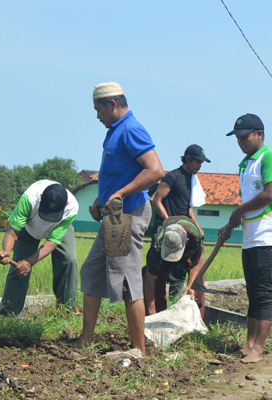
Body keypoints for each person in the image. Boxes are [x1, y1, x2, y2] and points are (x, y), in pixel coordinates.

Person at [73, 82, 164, 356]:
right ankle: (86, 340)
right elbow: (119, 172)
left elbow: (155, 171)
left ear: (112, 104)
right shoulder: (115, 131)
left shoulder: (131, 129)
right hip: (113, 216)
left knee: (126, 281)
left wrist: (120, 195)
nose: (97, 115)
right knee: (91, 272)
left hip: (126, 217)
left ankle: (138, 349)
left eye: (98, 109)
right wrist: (102, 199)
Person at [218, 113, 272, 363]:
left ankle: (258, 349)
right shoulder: (246, 164)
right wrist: (233, 222)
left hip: (270, 237)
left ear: (259, 134)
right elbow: (249, 202)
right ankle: (249, 344)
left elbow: (270, 194)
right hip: (251, 237)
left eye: (244, 136)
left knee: (263, 293)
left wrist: (238, 211)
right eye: (237, 137)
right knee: (252, 293)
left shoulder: (271, 158)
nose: (240, 141)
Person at [0, 180, 79, 317]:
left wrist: (30, 262)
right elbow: (12, 232)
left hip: (58, 229)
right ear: (41, 198)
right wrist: (6, 251)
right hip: (29, 228)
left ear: (66, 204)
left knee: (69, 259)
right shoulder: (29, 198)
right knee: (19, 265)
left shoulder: (72, 207)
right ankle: (9, 314)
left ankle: (66, 311)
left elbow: (52, 242)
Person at [146, 144, 210, 301]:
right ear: (188, 159)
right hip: (166, 231)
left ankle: (176, 303)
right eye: (198, 162)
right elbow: (157, 200)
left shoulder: (191, 180)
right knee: (159, 271)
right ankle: (155, 307)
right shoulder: (173, 177)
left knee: (179, 271)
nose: (200, 166)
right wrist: (168, 221)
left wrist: (197, 226)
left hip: (184, 232)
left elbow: (187, 207)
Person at [144, 216, 205, 316]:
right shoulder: (158, 246)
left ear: (187, 241)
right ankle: (159, 316)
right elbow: (150, 281)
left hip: (189, 248)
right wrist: (151, 311)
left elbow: (196, 265)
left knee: (198, 282)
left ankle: (197, 319)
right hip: (163, 248)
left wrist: (190, 287)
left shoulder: (195, 237)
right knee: (158, 281)